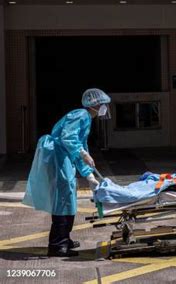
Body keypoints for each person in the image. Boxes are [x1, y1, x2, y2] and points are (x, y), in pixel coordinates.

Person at [22, 88, 111, 257]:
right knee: (63, 198)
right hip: (58, 157)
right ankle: (57, 245)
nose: (104, 108)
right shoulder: (81, 115)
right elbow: (68, 138)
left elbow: (78, 146)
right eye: (102, 105)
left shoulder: (86, 119)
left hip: (64, 157)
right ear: (94, 104)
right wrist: (83, 154)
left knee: (68, 197)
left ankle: (64, 238)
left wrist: (89, 174)